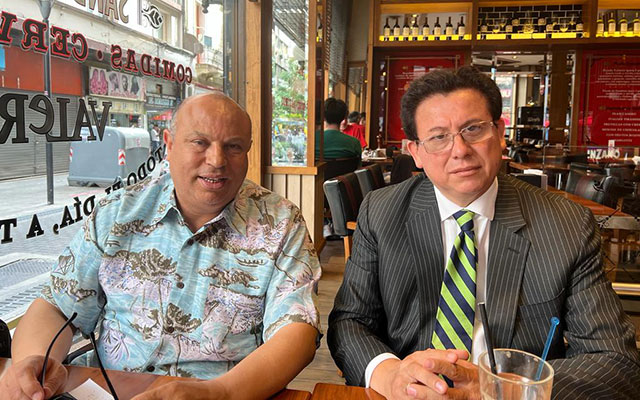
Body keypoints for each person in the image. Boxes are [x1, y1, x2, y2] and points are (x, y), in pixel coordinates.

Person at [328, 66, 640, 399]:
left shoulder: (566, 225)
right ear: (415, 152)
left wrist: (500, 387)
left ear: (500, 132)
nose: (460, 149)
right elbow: (350, 320)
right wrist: (389, 374)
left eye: (473, 129)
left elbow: (616, 364)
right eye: (438, 137)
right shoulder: (382, 212)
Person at [1, 93, 321, 400]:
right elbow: (57, 305)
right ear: (168, 144)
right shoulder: (118, 213)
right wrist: (34, 368)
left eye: (233, 147)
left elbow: (297, 329)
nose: (217, 160)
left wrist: (221, 393)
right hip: (108, 387)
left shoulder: (280, 222)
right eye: (200, 142)